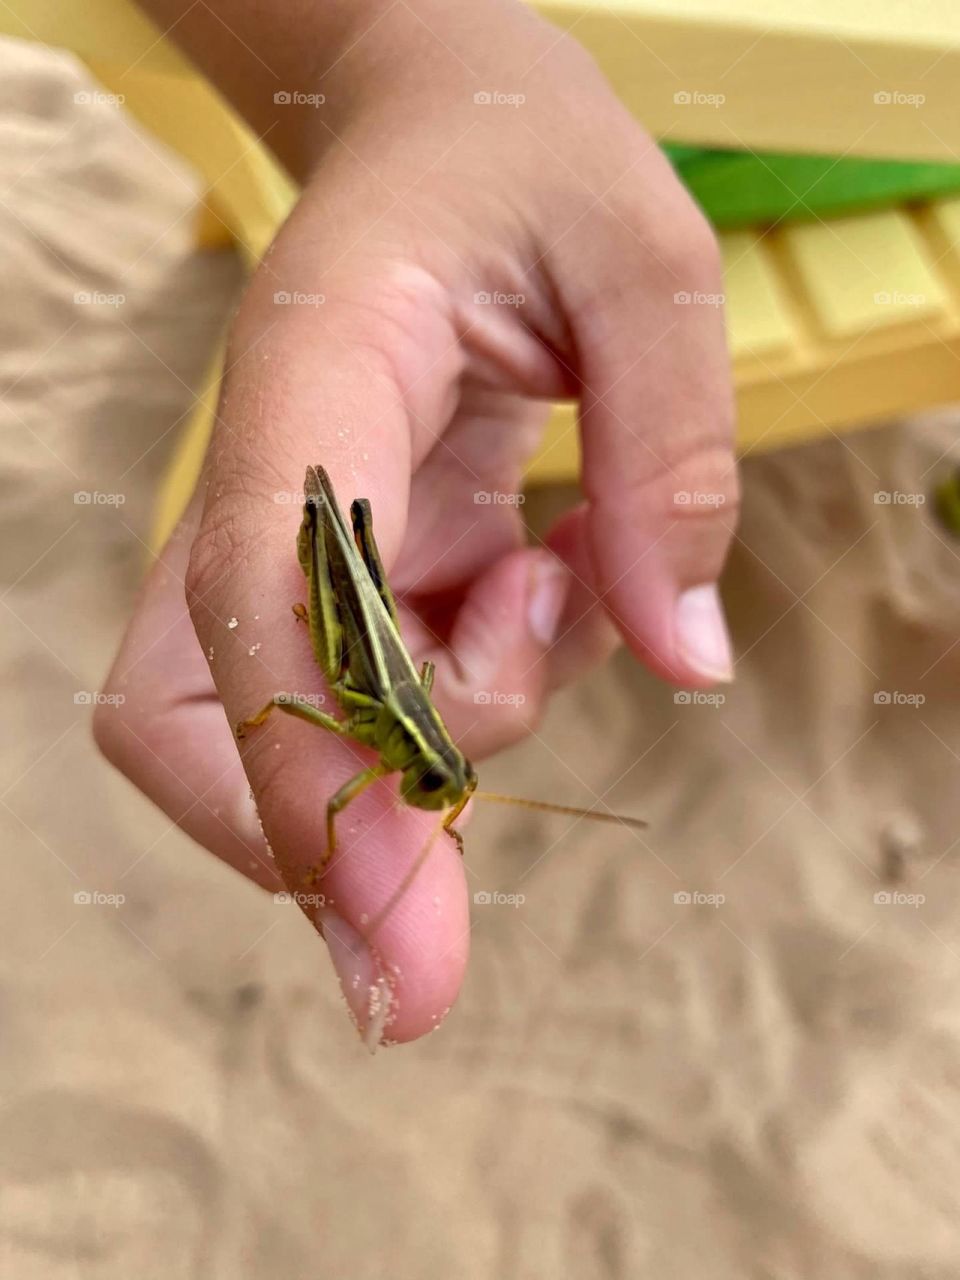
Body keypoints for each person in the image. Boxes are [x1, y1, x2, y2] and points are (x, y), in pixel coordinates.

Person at [95, 0, 738, 1045]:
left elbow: (420, 707)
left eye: (440, 783)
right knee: (331, 606)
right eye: (439, 781)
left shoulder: (412, 738)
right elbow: (345, 721)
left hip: (377, 621)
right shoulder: (380, 737)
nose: (434, 789)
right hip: (340, 585)